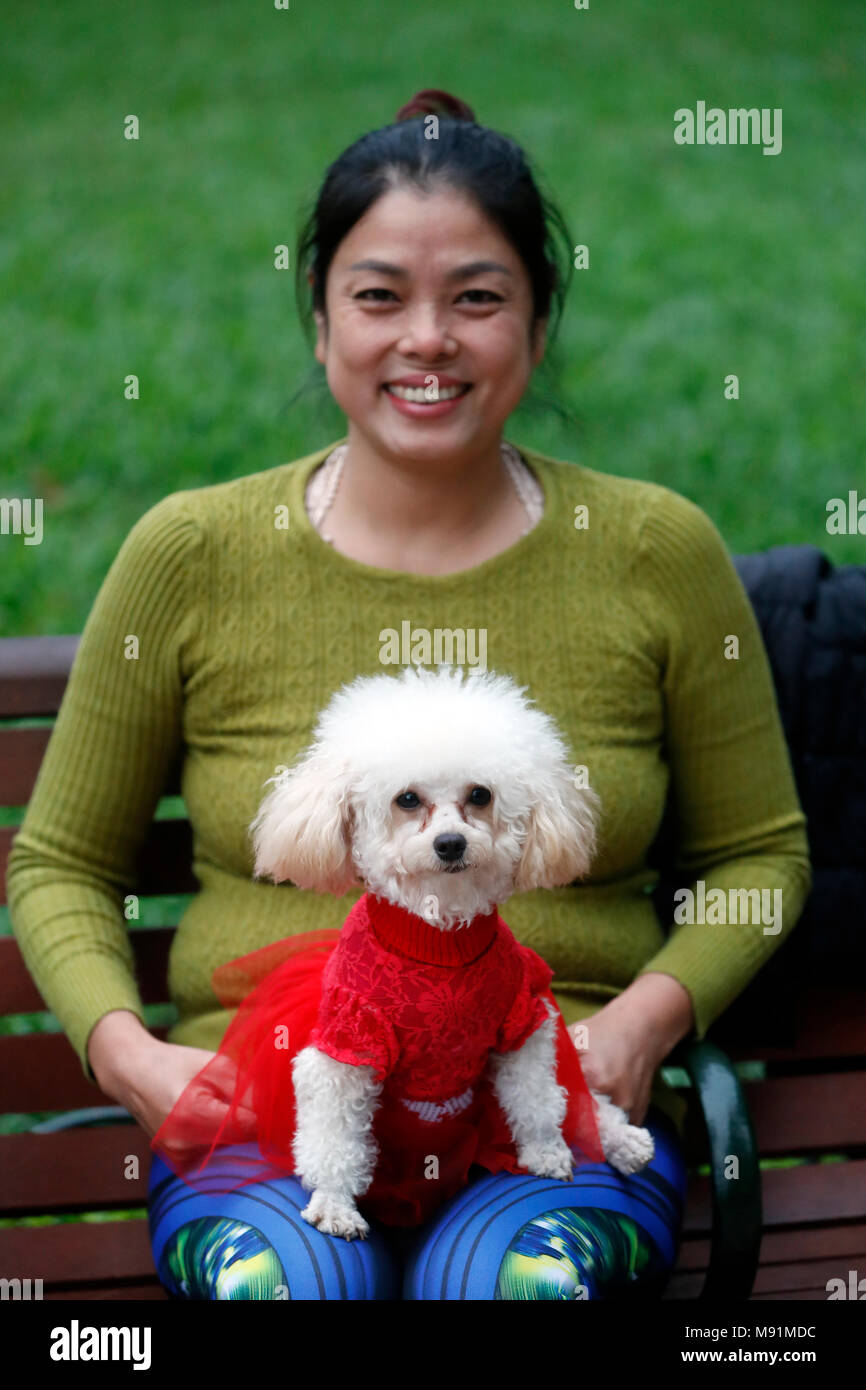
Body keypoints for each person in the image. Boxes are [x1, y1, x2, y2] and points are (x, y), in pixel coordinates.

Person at [7, 88, 811, 1301]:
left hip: (542, 1103)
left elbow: (760, 855)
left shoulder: (654, 550)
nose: (425, 338)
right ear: (321, 324)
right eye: (378, 296)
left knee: (509, 1288)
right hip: (269, 1109)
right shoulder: (191, 552)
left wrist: (643, 1023)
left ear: (536, 327)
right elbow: (60, 860)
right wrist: (130, 1060)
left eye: (476, 298)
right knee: (286, 1289)